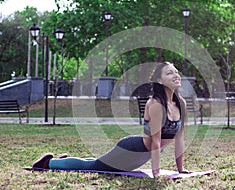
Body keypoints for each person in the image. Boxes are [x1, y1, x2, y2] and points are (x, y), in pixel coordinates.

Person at [32, 62, 192, 177]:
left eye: (176, 72)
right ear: (159, 80)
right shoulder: (156, 105)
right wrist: (156, 172)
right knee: (93, 167)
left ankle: (64, 161)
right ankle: (47, 163)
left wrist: (181, 169)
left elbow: (180, 139)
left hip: (142, 155)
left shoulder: (181, 104)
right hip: (132, 150)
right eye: (169, 73)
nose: (176, 75)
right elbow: (156, 142)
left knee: (100, 163)